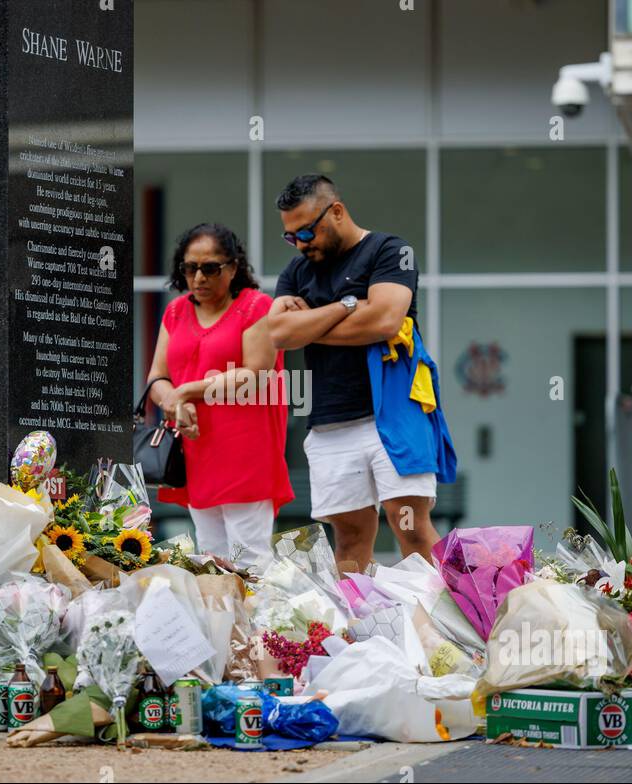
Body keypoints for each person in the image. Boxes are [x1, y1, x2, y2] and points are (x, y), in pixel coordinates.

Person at [267, 174, 456, 571]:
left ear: (336, 211)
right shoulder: (297, 271)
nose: (301, 243)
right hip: (330, 423)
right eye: (291, 236)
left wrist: (313, 327)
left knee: (412, 530)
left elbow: (385, 321)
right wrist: (348, 305)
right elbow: (280, 333)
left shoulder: (390, 251)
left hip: (394, 415)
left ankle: (449, 629)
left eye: (306, 230)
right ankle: (359, 631)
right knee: (349, 540)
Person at [146, 223, 293, 572]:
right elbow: (157, 376)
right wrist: (173, 401)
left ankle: (262, 628)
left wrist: (187, 391)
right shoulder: (176, 311)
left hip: (246, 452)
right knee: (210, 557)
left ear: (233, 267)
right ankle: (224, 626)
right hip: (196, 452)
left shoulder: (256, 307)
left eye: (210, 268)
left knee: (249, 560)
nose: (199, 277)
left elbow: (256, 373)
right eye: (190, 268)